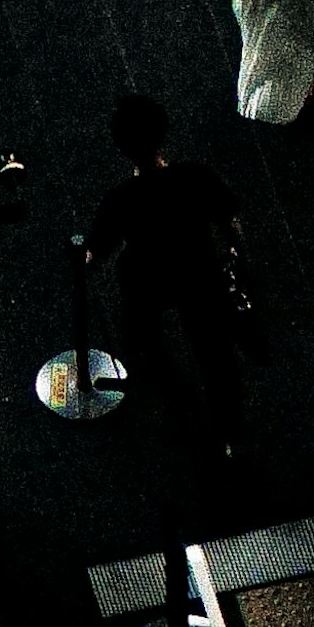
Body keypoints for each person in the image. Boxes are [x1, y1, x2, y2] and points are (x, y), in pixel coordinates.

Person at [84, 98, 248, 474]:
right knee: (215, 354)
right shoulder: (194, 177)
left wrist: (79, 259)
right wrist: (242, 266)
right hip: (198, 271)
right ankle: (229, 433)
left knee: (143, 340)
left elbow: (97, 252)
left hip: (148, 277)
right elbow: (230, 224)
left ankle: (178, 403)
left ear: (121, 145)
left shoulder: (122, 199)